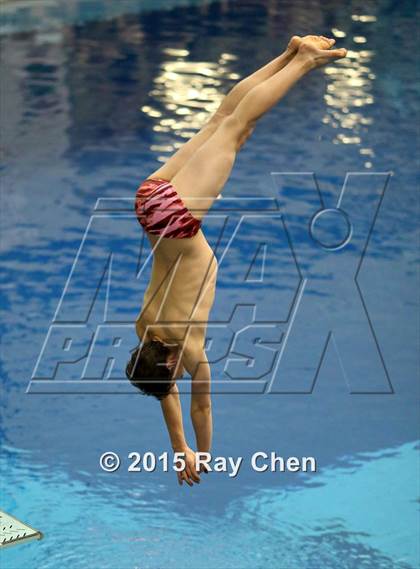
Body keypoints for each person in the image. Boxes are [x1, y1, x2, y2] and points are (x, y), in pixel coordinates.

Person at [126, 35, 347, 486]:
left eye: (171, 378)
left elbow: (199, 405)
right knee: (225, 122)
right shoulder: (143, 330)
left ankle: (303, 61)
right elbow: (166, 393)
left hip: (180, 217)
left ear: (169, 367)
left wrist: (202, 455)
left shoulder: (188, 348)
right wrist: (178, 448)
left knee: (235, 125)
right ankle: (288, 52)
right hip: (150, 207)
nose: (176, 381)